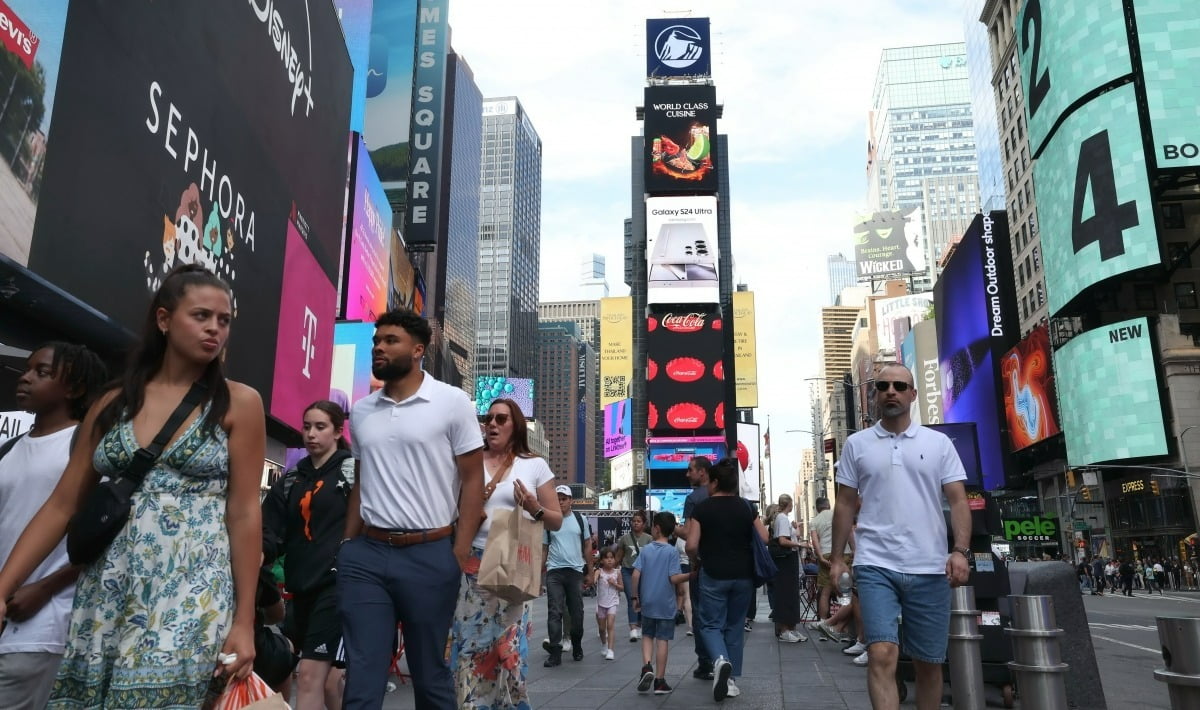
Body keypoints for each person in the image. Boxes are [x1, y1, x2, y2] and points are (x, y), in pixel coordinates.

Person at [0, 264, 265, 707]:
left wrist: (244, 619)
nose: (215, 329)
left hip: (192, 590)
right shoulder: (113, 401)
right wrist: (3, 587)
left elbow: (243, 513)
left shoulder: (240, 402)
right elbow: (62, 505)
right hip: (108, 589)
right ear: (164, 319)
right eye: (201, 315)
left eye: (224, 320)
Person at [337, 309, 485, 710]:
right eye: (376, 341)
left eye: (390, 341)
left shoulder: (452, 402)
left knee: (428, 673)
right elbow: (362, 481)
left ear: (418, 350)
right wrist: (348, 545)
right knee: (362, 675)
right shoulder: (364, 411)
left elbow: (473, 481)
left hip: (431, 552)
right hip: (366, 555)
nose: (379, 348)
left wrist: (459, 551)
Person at [830, 362, 971, 710]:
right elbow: (845, 504)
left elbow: (958, 500)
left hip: (930, 566)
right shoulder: (856, 444)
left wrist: (961, 551)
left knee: (928, 663)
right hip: (875, 564)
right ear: (874, 396)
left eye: (898, 385)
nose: (890, 391)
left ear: (912, 394)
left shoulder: (938, 444)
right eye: (882, 386)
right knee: (880, 653)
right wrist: (836, 559)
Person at [0, 342, 106, 709]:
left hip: (42, 623)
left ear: (74, 388)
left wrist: (44, 588)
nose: (26, 378)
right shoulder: (10, 447)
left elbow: (104, 533)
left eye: (42, 372)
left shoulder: (83, 448)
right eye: (27, 369)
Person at [451, 398, 563, 707]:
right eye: (489, 419)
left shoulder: (534, 464)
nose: (493, 425)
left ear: (515, 426)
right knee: (472, 650)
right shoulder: (469, 462)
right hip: (472, 564)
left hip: (512, 566)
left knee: (509, 654)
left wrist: (533, 507)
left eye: (501, 419)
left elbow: (555, 520)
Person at [262, 401, 356, 710]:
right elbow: (268, 529)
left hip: (336, 586)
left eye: (320, 427)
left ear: (338, 431)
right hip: (298, 589)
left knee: (310, 678)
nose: (311, 434)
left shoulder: (351, 473)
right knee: (282, 668)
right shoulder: (292, 478)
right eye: (306, 427)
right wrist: (260, 555)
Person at [686, 457, 770, 701]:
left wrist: (697, 559)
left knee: (710, 624)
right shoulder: (746, 507)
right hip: (743, 575)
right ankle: (731, 682)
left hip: (713, 573)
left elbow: (691, 544)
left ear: (713, 482)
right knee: (734, 626)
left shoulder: (702, 508)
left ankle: (720, 661)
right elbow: (764, 538)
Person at [632, 512, 689, 696]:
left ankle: (647, 666)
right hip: (665, 603)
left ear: (655, 528)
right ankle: (660, 680)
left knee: (647, 635)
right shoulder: (672, 551)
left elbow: (635, 575)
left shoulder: (647, 549)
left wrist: (635, 597)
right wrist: (691, 575)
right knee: (662, 639)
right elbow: (674, 578)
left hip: (647, 601)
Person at [541, 485, 592, 667]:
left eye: (564, 498)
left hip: (575, 571)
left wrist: (591, 572)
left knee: (577, 613)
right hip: (554, 571)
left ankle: (576, 644)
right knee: (554, 611)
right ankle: (555, 652)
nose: (561, 501)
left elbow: (587, 546)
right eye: (558, 498)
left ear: (571, 500)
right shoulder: (549, 522)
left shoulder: (580, 519)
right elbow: (544, 549)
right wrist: (537, 575)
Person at [675, 456, 714, 680]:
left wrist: (674, 529)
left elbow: (690, 535)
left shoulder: (694, 499)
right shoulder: (726, 496)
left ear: (702, 472)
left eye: (690, 470)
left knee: (700, 613)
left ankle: (705, 662)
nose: (687, 474)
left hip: (701, 564)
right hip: (728, 564)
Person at [809, 496, 854, 626]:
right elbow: (850, 531)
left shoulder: (815, 521)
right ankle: (843, 626)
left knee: (825, 592)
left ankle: (823, 623)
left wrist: (821, 557)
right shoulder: (838, 514)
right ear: (828, 505)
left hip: (827, 554)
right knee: (845, 592)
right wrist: (854, 549)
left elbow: (815, 541)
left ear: (817, 508)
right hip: (843, 553)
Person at [769, 494, 807, 643]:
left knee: (791, 594)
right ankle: (785, 629)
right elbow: (783, 540)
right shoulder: (782, 519)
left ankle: (791, 628)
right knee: (787, 594)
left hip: (788, 560)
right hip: (786, 560)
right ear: (789, 504)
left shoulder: (781, 519)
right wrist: (800, 544)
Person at [614, 510, 652, 642]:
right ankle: (633, 627)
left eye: (638, 521)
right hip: (628, 571)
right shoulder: (624, 538)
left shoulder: (649, 539)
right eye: (634, 521)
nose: (635, 523)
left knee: (643, 598)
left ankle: (640, 624)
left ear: (644, 524)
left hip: (644, 572)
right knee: (632, 598)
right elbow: (618, 556)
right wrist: (610, 570)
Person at [593, 549, 623, 660]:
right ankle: (604, 644)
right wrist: (594, 580)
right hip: (601, 603)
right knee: (602, 628)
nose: (610, 560)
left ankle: (611, 650)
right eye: (607, 558)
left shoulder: (617, 572)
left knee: (610, 625)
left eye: (612, 558)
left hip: (613, 602)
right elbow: (594, 579)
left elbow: (622, 587)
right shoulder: (599, 572)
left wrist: (614, 584)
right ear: (601, 560)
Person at [672, 533, 693, 635]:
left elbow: (676, 553)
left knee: (687, 596)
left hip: (684, 566)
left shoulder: (680, 538)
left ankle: (690, 626)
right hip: (697, 565)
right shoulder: (699, 532)